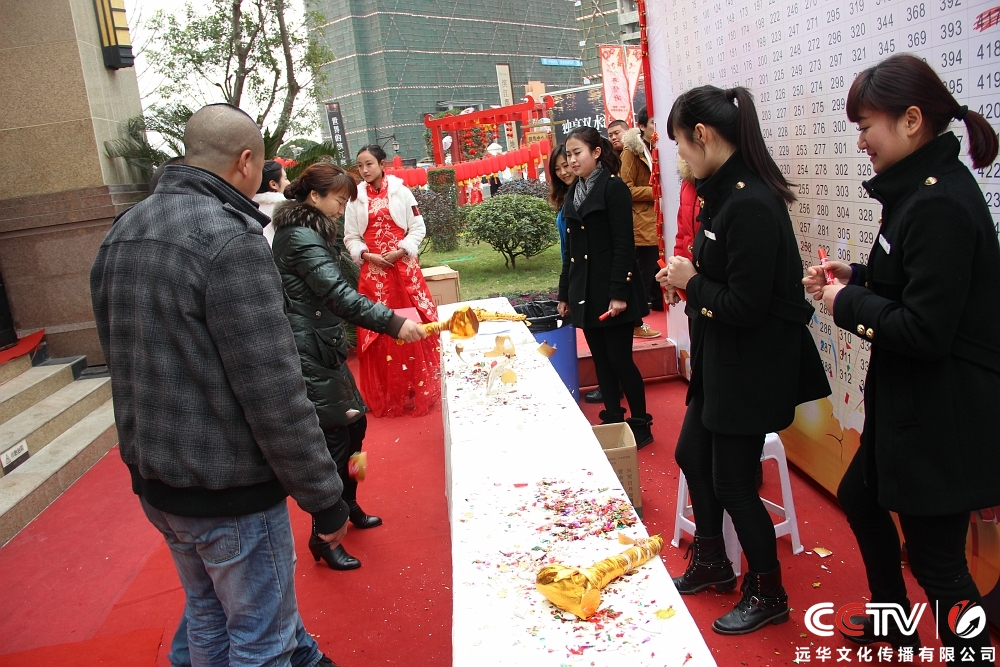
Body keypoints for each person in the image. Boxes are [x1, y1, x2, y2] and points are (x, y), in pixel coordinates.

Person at [91, 103, 346, 667]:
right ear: (246, 162)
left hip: (159, 480)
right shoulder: (229, 240)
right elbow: (274, 390)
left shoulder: (124, 229)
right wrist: (325, 499)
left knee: (208, 615)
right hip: (226, 486)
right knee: (260, 641)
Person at [804, 54, 1000, 664]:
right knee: (861, 498)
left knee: (941, 567)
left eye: (866, 126)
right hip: (909, 409)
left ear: (911, 120)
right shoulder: (918, 190)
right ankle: (894, 622)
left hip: (941, 419)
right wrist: (856, 277)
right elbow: (915, 286)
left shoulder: (939, 202)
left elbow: (924, 330)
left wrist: (845, 302)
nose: (861, 141)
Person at [657, 86, 830, 635]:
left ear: (702, 135)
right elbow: (723, 279)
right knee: (691, 452)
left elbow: (748, 306)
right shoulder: (723, 194)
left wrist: (693, 282)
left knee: (734, 482)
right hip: (722, 359)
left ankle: (769, 590)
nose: (681, 156)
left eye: (681, 144)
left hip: (750, 367)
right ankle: (713, 559)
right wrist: (688, 277)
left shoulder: (750, 202)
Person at [272, 162, 426, 570]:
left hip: (322, 346)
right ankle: (324, 534)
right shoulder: (300, 237)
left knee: (355, 427)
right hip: (308, 350)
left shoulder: (312, 231)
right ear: (315, 196)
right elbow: (338, 295)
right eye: (339, 200)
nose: (343, 209)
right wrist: (392, 322)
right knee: (334, 442)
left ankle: (348, 505)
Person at [557, 127, 654, 447]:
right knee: (601, 359)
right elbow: (570, 252)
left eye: (577, 153)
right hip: (584, 290)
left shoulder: (614, 188)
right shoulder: (574, 191)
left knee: (620, 360)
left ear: (596, 152)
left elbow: (624, 245)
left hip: (612, 289)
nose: (572, 161)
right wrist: (564, 293)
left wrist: (618, 294)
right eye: (568, 155)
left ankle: (640, 423)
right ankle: (613, 417)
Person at [344, 144, 441, 418]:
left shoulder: (401, 191)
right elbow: (351, 237)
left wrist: (400, 250)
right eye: (360, 165)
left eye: (369, 164)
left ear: (381, 163)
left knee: (413, 323)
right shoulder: (355, 198)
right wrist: (367, 255)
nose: (364, 170)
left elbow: (418, 227)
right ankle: (389, 394)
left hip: (403, 270)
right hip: (374, 274)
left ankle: (418, 390)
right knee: (378, 328)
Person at [620, 107, 663, 342]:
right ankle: (635, 322)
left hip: (660, 218)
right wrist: (655, 191)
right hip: (643, 221)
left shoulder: (662, 147)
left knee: (655, 268)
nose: (657, 127)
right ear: (643, 126)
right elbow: (625, 188)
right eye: (653, 122)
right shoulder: (632, 151)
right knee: (643, 274)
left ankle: (656, 304)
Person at [547, 143, 575, 264]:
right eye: (557, 169)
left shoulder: (583, 194)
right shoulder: (564, 196)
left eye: (565, 166)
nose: (563, 172)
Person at [254, 159, 290, 245]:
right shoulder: (287, 210)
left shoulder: (244, 206)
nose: (289, 182)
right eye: (285, 178)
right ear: (273, 184)